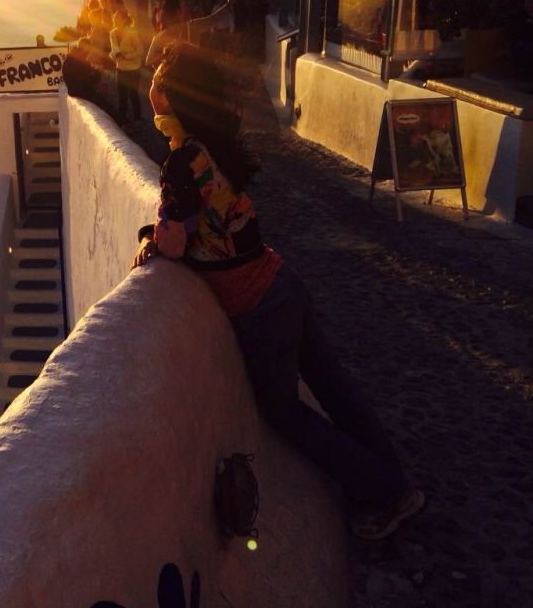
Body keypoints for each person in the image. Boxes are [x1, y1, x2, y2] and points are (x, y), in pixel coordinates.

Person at [133, 42, 425, 540]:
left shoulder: (182, 160)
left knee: (286, 414)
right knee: (335, 388)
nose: (152, 87)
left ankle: (386, 494)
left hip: (257, 308)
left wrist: (149, 238)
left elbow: (174, 244)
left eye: (159, 81)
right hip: (280, 282)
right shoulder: (212, 143)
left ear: (174, 96)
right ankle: (391, 478)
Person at [109, 9, 144, 124]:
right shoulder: (112, 33)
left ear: (124, 20)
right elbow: (114, 50)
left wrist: (126, 56)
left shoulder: (132, 32)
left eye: (117, 18)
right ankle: (122, 120)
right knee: (122, 96)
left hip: (134, 68)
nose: (115, 20)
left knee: (133, 95)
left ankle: (137, 119)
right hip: (120, 67)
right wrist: (113, 56)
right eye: (114, 18)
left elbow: (140, 51)